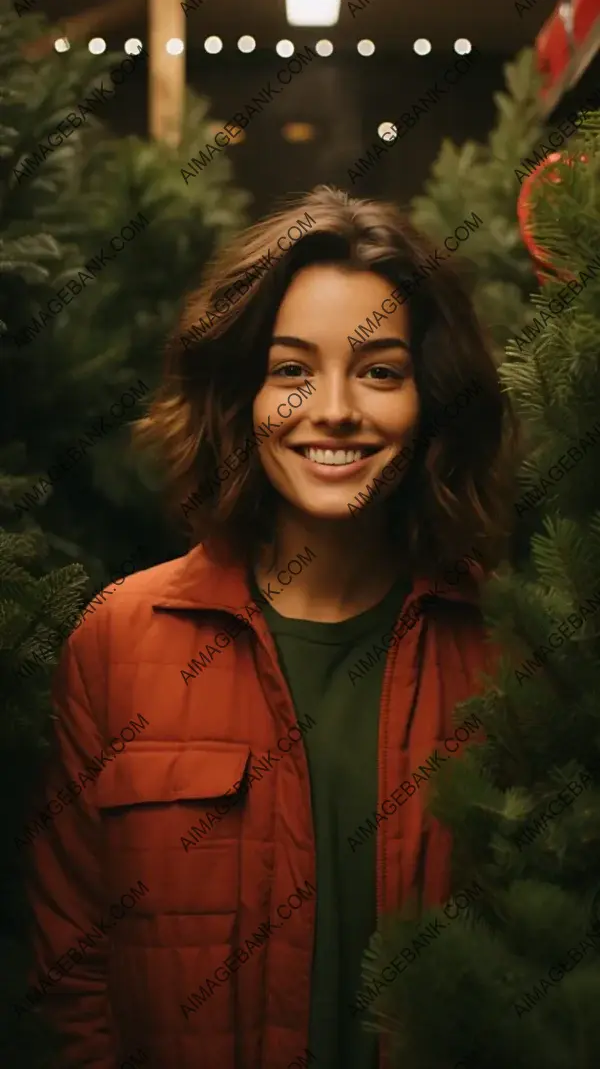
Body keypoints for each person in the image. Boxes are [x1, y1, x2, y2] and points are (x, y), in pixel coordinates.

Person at [23, 185, 518, 1069]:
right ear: (241, 395)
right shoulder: (118, 642)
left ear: (432, 398)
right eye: (292, 369)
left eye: (379, 371)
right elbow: (73, 973)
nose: (332, 409)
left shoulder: (512, 653)